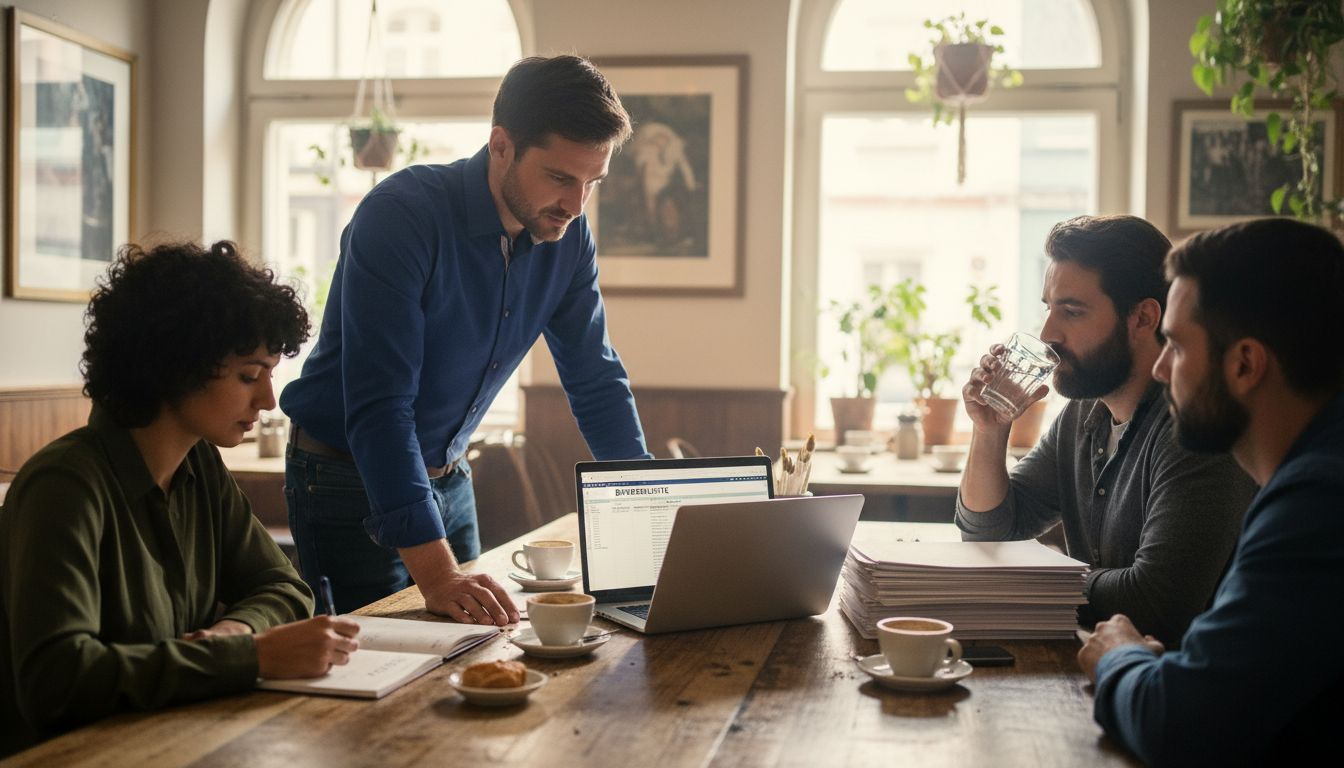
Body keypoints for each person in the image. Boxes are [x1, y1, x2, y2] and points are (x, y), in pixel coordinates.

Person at [280, 55, 652, 623]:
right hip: (346, 478)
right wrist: (441, 574)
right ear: (501, 145)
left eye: (591, 183)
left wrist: (648, 512)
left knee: (474, 648)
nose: (576, 206)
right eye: (559, 178)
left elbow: (596, 380)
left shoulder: (569, 239)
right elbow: (381, 409)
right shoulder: (401, 217)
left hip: (450, 475)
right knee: (380, 675)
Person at [0, 241, 360, 757]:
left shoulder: (198, 465)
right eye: (247, 376)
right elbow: (57, 681)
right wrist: (251, 658)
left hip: (170, 741)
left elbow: (282, 585)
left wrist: (233, 636)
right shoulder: (63, 485)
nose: (268, 399)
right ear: (176, 365)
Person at [1079, 218, 1344, 763]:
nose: (1157, 369)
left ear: (1244, 363)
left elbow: (1178, 722)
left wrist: (1117, 655)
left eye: (1175, 346)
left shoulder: (1317, 504)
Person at [956, 215, 1255, 643]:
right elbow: (989, 531)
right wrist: (990, 430)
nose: (1048, 333)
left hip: (1181, 694)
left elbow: (1156, 602)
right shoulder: (1082, 416)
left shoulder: (1194, 432)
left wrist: (1049, 576)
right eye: (1048, 308)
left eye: (1071, 311)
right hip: (1106, 674)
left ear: (1143, 317)